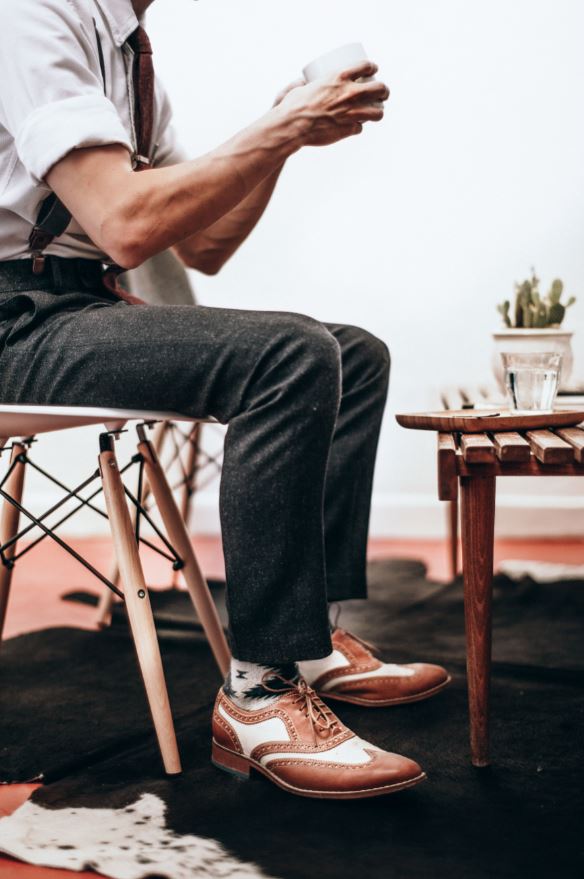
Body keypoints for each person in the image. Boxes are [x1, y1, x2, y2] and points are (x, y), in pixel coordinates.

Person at [0, 0, 449, 799]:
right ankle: (260, 692)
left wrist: (283, 135)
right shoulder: (34, 17)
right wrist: (277, 130)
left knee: (353, 353)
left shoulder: (130, 57)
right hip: (16, 322)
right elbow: (127, 224)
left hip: (82, 305)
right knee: (290, 353)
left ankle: (307, 642)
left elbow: (205, 243)